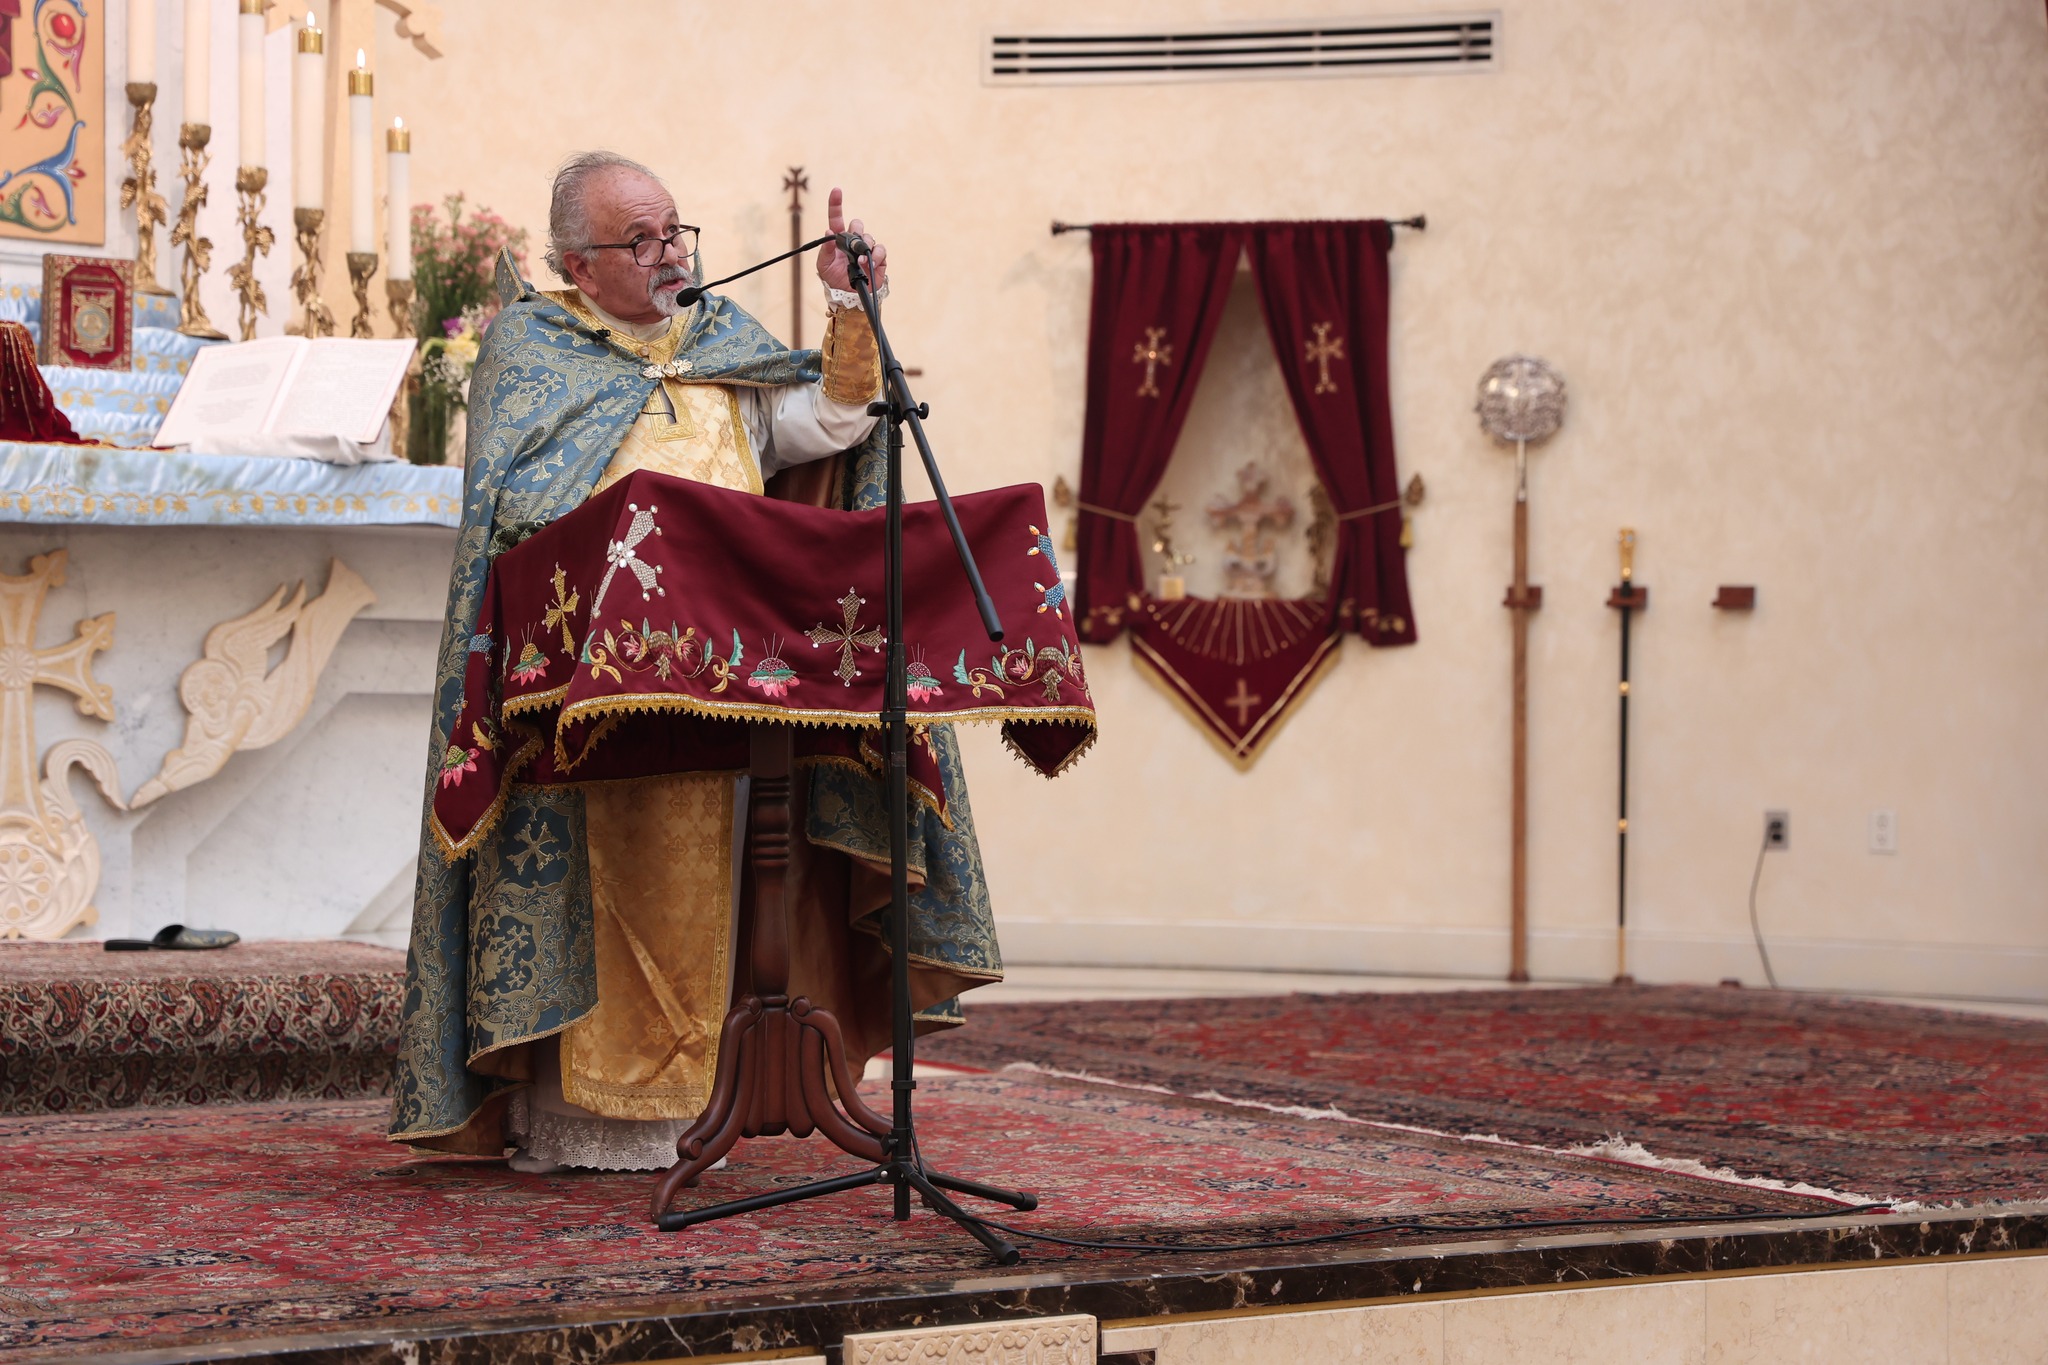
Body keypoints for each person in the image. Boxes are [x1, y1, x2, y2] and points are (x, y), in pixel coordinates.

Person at [387, 152, 1002, 1172]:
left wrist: (850, 310)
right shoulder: (531, 352)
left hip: (724, 674)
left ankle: (712, 1096)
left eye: (674, 230)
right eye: (639, 240)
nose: (669, 252)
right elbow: (516, 513)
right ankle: (575, 1117)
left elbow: (826, 426)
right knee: (596, 882)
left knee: (732, 869)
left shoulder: (721, 339)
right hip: (582, 690)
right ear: (577, 267)